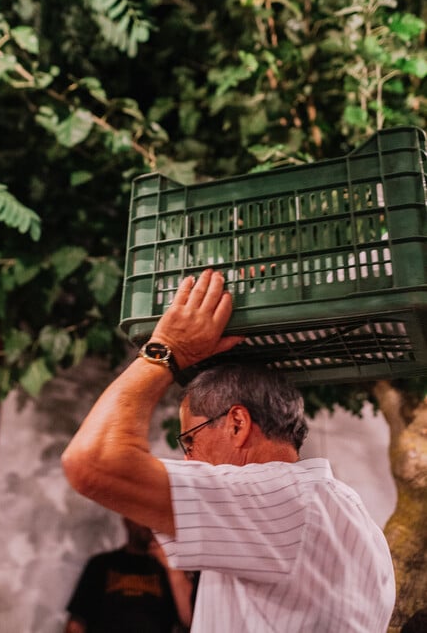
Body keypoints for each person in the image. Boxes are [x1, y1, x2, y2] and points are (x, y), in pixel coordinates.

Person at [62, 269, 396, 632]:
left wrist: (168, 350)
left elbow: (91, 462)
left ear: (237, 424)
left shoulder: (275, 496)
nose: (188, 458)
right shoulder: (340, 506)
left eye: (190, 440)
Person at [64, 517, 193, 633]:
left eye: (150, 516)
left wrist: (173, 569)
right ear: (126, 521)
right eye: (140, 515)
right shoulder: (101, 564)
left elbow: (190, 619)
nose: (147, 524)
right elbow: (77, 623)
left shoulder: (170, 570)